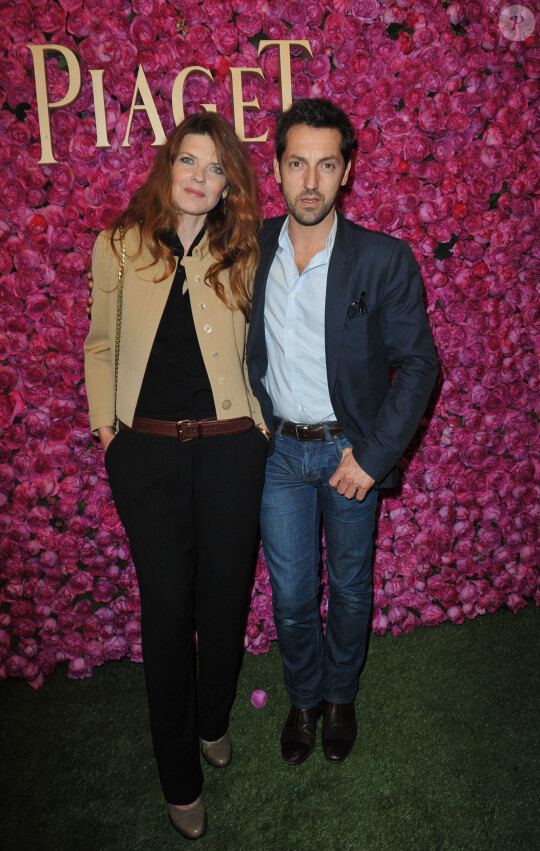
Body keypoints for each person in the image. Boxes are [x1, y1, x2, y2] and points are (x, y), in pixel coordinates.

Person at [84, 112, 269, 840]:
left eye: (215, 167)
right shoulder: (119, 246)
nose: (199, 176)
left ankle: (214, 718)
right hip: (148, 456)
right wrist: (109, 433)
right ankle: (178, 776)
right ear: (167, 167)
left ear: (229, 185)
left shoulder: (246, 250)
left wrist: (257, 428)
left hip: (230, 450)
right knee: (167, 614)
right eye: (188, 161)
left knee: (223, 602)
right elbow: (101, 344)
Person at [246, 98, 439, 766]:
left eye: (325, 165)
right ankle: (303, 698)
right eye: (296, 163)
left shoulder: (383, 259)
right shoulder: (252, 247)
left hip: (349, 453)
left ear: (346, 171)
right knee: (293, 594)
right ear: (276, 168)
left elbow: (419, 364)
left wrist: (375, 454)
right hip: (278, 455)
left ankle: (340, 696)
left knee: (351, 589)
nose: (310, 181)